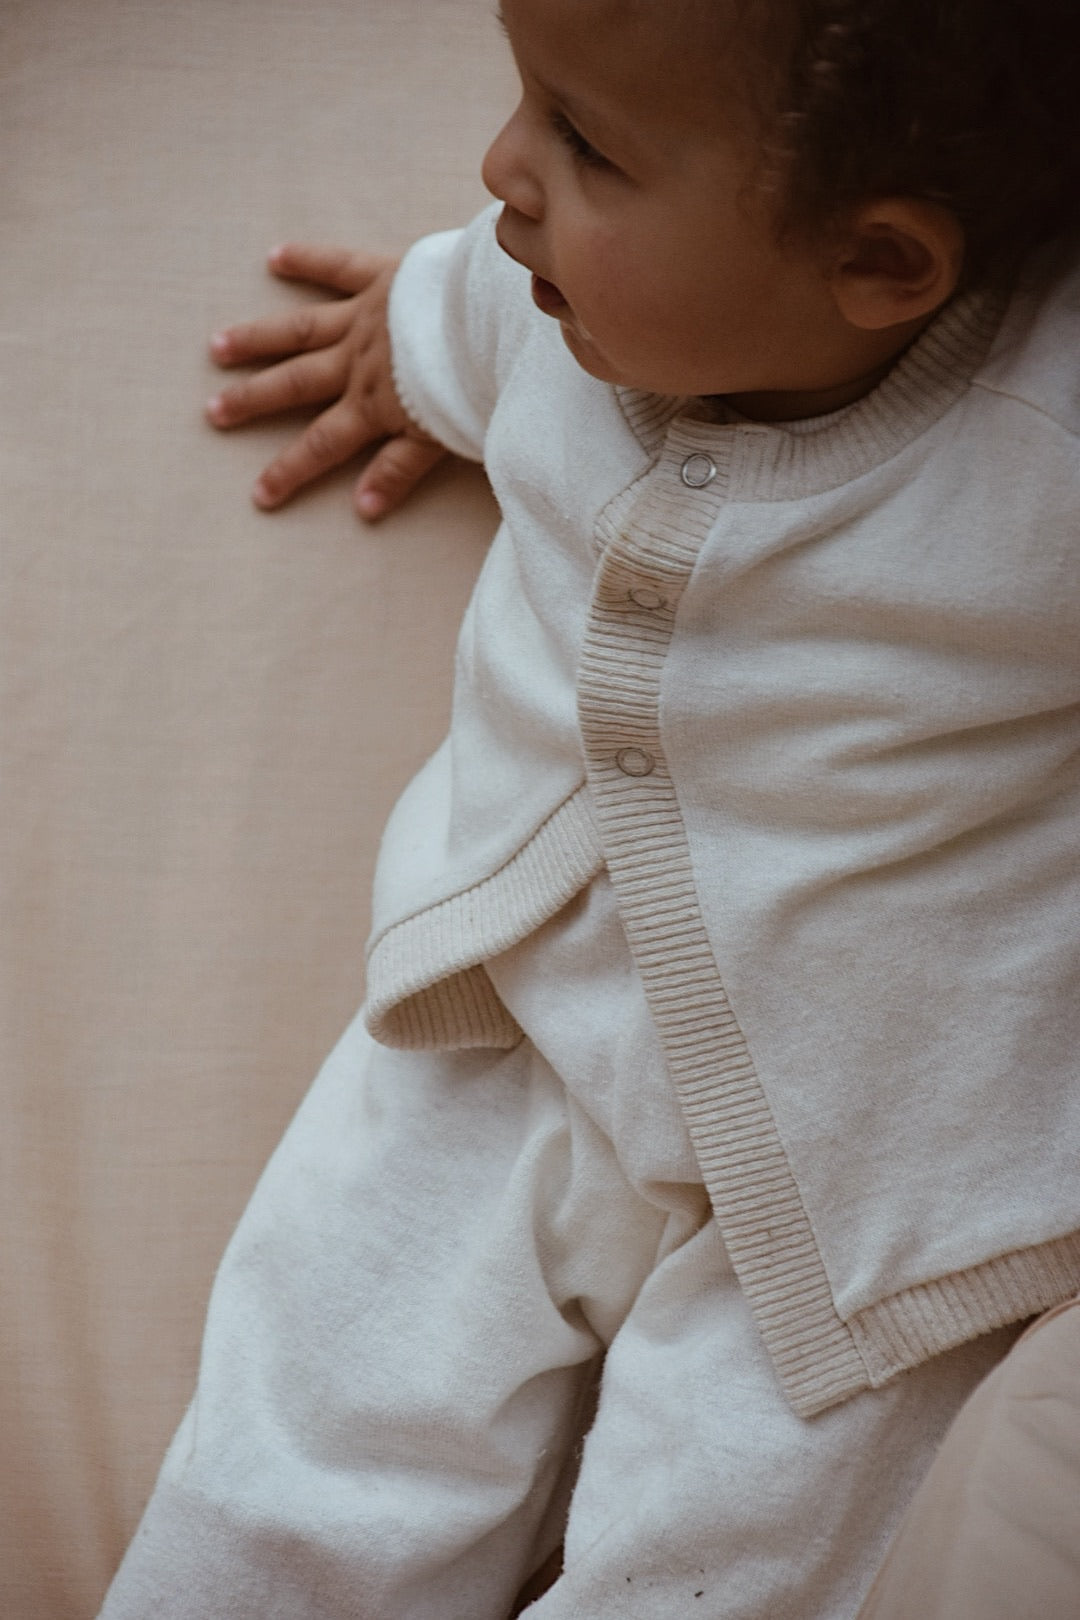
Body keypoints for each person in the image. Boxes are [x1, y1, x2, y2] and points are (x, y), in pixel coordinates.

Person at [99, 0, 1080, 1615]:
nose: (501, 173)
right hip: (500, 1016)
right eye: (523, 99)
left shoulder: (1034, 437)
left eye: (588, 143)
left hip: (879, 1144)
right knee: (289, 1472)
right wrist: (399, 341)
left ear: (885, 264)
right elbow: (460, 309)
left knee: (721, 1562)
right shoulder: (532, 301)